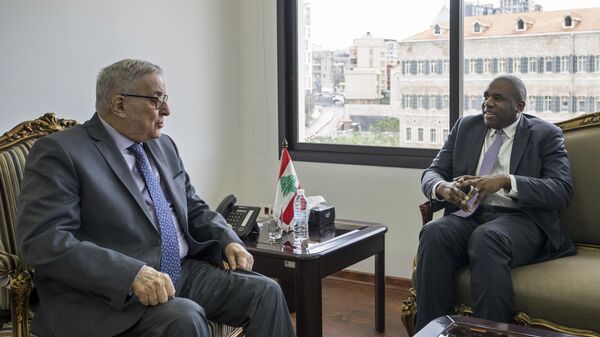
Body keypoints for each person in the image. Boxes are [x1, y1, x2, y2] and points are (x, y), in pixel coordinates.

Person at [16, 59, 296, 337]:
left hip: (182, 271)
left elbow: (192, 205)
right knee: (185, 318)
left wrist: (225, 238)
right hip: (108, 293)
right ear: (119, 105)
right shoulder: (60, 152)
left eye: (166, 99)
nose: (167, 110)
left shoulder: (163, 145)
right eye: (156, 100)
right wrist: (130, 274)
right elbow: (44, 241)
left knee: (266, 292)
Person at [415, 75, 576, 331]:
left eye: (498, 98)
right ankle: (431, 331)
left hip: (522, 220)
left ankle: (491, 334)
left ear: (520, 106)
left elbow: (562, 190)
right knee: (435, 232)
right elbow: (432, 172)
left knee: (488, 237)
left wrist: (506, 181)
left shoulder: (545, 135)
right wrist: (442, 187)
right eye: (486, 97)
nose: (487, 103)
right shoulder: (466, 127)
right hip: (470, 213)